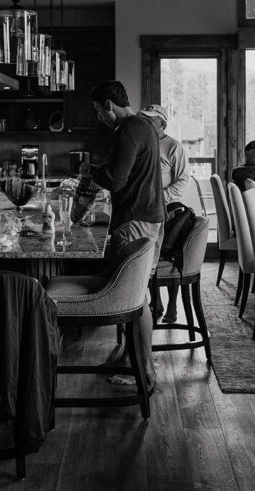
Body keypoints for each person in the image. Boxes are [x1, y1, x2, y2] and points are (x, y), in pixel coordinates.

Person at [85, 81, 165, 388]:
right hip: (148, 219)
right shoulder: (142, 126)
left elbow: (116, 181)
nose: (97, 117)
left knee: (135, 297)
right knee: (136, 295)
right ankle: (133, 360)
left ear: (108, 104)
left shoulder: (129, 129)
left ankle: (145, 374)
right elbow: (125, 172)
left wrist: (89, 170)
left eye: (97, 110)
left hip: (135, 221)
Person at [139, 103, 190, 324]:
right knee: (145, 250)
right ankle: (154, 300)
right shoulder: (141, 145)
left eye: (151, 119)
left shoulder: (174, 147)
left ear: (162, 123)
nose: (147, 123)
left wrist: (160, 197)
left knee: (169, 249)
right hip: (145, 208)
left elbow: (182, 181)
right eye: (145, 119)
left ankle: (171, 304)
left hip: (168, 208)